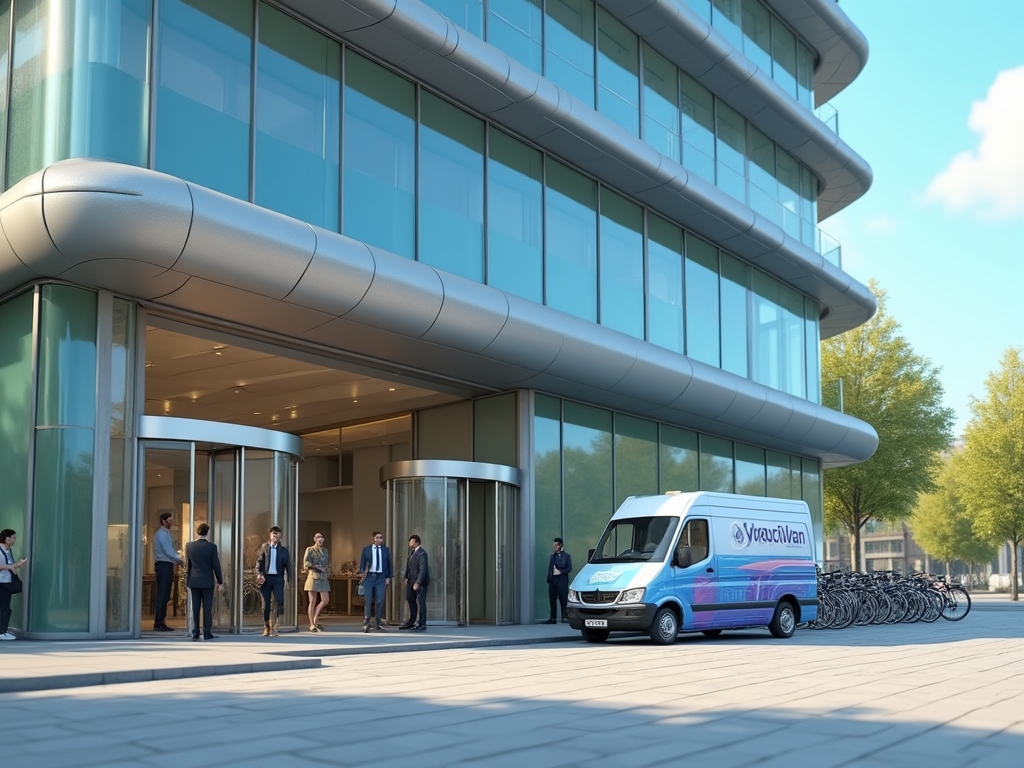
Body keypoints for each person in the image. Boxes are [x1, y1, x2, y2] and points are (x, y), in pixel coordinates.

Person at [185, 523, 224, 641]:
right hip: (207, 581)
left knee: (195, 607)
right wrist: (220, 581)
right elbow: (215, 565)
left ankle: (195, 632)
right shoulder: (212, 547)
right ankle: (207, 632)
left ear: (197, 532)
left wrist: (188, 581)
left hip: (194, 580)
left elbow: (188, 566)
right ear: (208, 532)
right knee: (207, 608)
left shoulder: (189, 546)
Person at [255, 526, 292, 637]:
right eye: (274, 535)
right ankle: (266, 626)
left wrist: (290, 580)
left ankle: (274, 625)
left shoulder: (283, 550)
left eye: (278, 535)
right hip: (266, 579)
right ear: (270, 535)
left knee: (279, 601)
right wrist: (258, 574)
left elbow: (288, 566)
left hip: (278, 579)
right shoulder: (265, 547)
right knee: (266, 604)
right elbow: (259, 562)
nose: (276, 537)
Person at [153, 511, 185, 631]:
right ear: (164, 521)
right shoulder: (162, 534)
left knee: (166, 594)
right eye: (170, 520)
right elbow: (168, 550)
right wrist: (181, 560)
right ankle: (159, 622)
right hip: (164, 566)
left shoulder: (165, 533)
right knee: (163, 594)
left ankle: (161, 621)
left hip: (166, 564)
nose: (172, 522)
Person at [358, 532, 392, 633]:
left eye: (381, 538)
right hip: (369, 577)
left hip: (381, 578)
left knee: (380, 600)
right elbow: (362, 564)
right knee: (368, 600)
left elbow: (389, 565)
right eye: (377, 537)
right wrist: (361, 573)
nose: (379, 539)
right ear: (373, 539)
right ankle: (366, 623)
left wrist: (388, 577)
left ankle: (378, 623)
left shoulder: (386, 550)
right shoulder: (366, 549)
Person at [0, 529, 27, 641]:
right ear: (6, 538)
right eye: (13, 537)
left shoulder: (7, 550)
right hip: (2, 583)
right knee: (4, 608)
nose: (14, 540)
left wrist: (16, 565)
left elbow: (10, 564)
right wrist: (11, 567)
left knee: (5, 607)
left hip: (7, 582)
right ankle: (2, 631)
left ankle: (3, 630)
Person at [399, 535, 429, 631]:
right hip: (411, 581)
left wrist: (418, 582)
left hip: (420, 582)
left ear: (416, 541)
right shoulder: (412, 553)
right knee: (410, 599)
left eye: (410, 541)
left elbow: (423, 569)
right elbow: (408, 567)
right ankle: (411, 622)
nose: (409, 543)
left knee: (421, 603)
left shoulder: (422, 553)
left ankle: (422, 623)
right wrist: (406, 577)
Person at [303, 533, 330, 632]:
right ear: (314, 539)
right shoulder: (310, 550)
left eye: (321, 537)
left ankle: (315, 617)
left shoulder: (325, 551)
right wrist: (317, 567)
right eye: (318, 537)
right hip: (313, 577)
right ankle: (312, 624)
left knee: (325, 600)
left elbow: (327, 564)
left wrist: (327, 570)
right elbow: (306, 564)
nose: (320, 539)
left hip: (323, 578)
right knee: (312, 601)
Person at [545, 537, 573, 624]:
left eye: (556, 545)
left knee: (563, 599)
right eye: (554, 545)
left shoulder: (566, 556)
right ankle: (552, 618)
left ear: (560, 545)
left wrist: (560, 572)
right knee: (552, 599)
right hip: (553, 580)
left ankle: (565, 617)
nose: (554, 546)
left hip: (562, 580)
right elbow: (550, 567)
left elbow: (569, 568)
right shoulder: (552, 556)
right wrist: (549, 577)